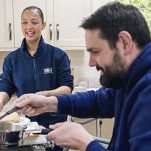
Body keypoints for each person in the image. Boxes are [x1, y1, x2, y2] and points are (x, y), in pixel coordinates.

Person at [13, 2, 151, 151]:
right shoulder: (128, 79)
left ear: (124, 42)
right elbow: (97, 101)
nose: (91, 63)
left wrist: (85, 143)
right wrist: (47, 103)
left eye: (96, 52)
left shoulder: (147, 91)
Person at [0, 6, 73, 151]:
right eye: (24, 22)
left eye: (34, 22)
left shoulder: (58, 55)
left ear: (43, 25)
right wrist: (1, 100)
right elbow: (6, 87)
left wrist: (45, 95)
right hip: (25, 127)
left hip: (54, 124)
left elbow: (67, 88)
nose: (29, 27)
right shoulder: (12, 59)